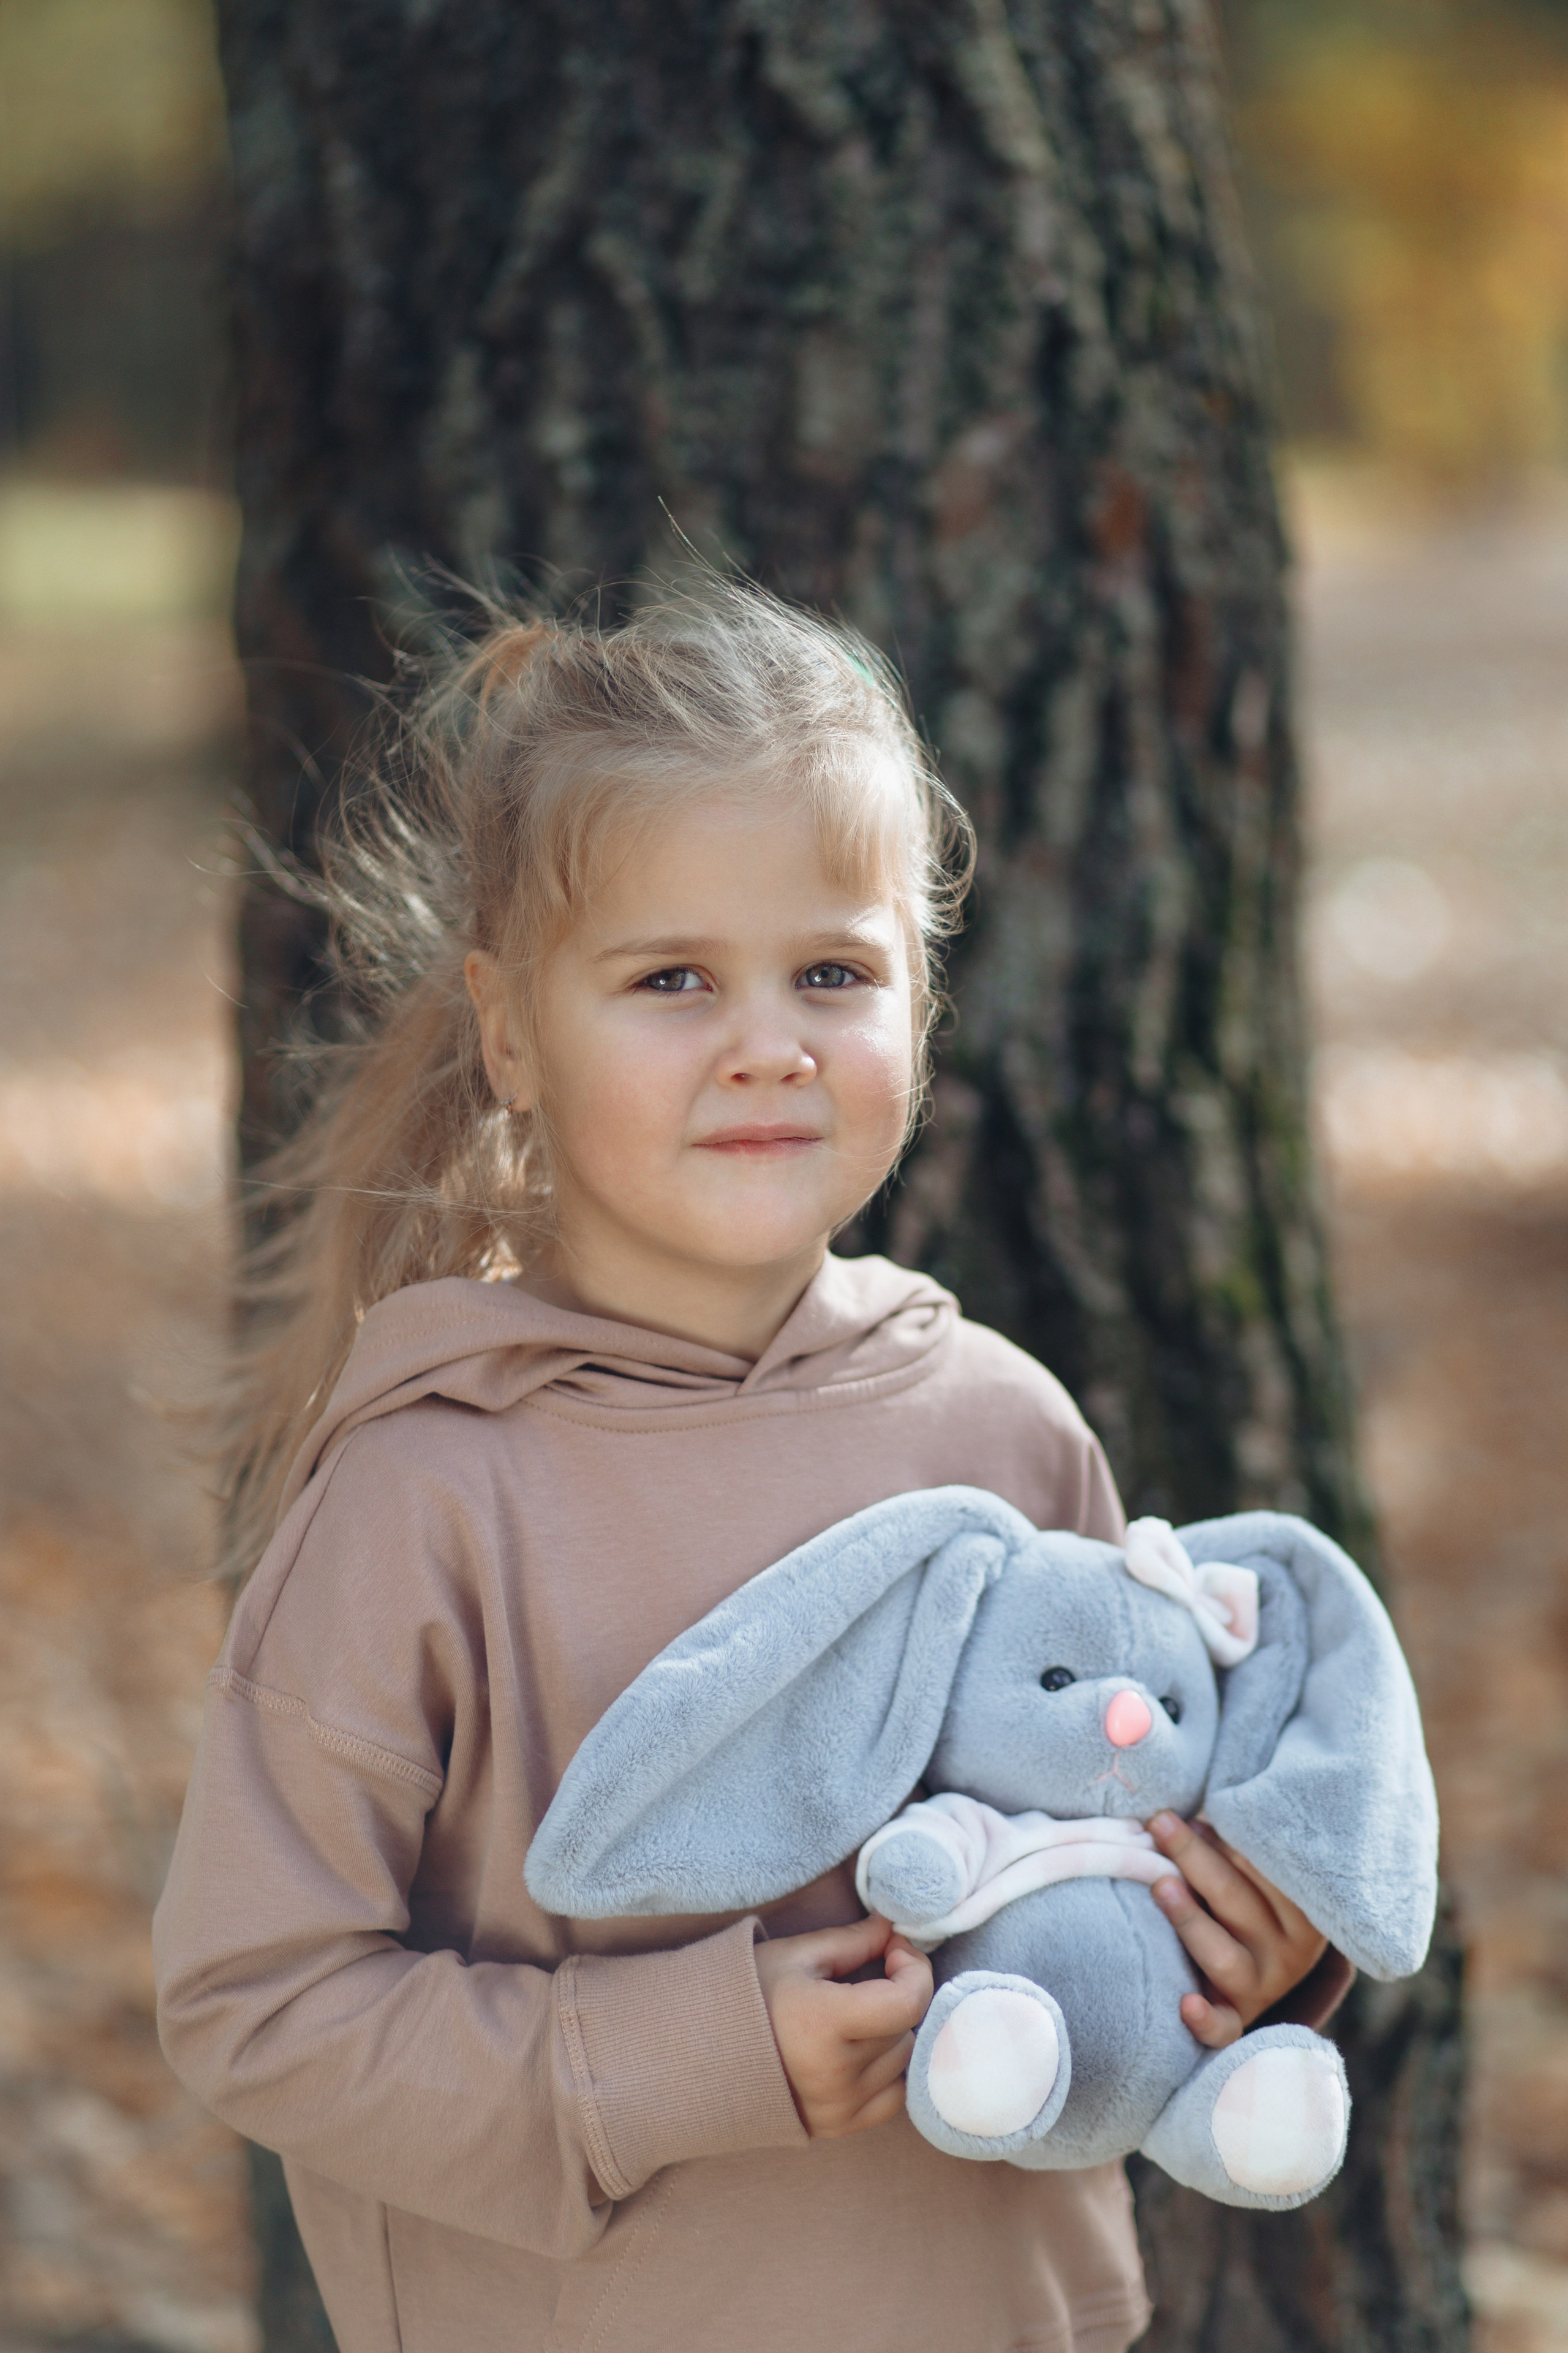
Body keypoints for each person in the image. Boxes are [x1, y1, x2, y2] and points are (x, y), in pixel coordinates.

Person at [154, 585, 1338, 2353]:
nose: (768, 1040)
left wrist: (1259, 1954)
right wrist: (689, 2057)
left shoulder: (1008, 1428)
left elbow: (1125, 1829)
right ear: (507, 1029)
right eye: (673, 977)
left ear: (919, 1007)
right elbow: (259, 1998)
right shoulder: (432, 1490)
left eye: (834, 973)